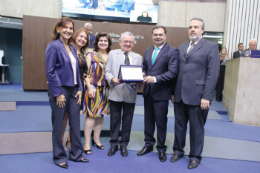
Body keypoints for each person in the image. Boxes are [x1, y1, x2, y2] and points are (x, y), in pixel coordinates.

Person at [170, 18, 219, 169]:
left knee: (196, 128)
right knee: (179, 126)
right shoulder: (182, 46)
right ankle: (178, 151)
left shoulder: (211, 46)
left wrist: (207, 96)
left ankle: (195, 156)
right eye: (190, 27)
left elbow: (213, 72)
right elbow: (177, 71)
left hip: (198, 96)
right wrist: (173, 92)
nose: (192, 29)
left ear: (202, 30)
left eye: (196, 27)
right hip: (179, 95)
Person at [46, 17, 89, 169]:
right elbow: (50, 72)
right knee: (58, 124)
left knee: (75, 123)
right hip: (60, 89)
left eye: (71, 28)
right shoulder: (53, 46)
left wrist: (79, 89)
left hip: (73, 90)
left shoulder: (71, 48)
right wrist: (58, 93)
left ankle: (76, 154)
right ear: (58, 29)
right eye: (65, 27)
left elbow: (77, 70)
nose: (68, 31)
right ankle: (59, 156)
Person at [137, 26, 179, 162]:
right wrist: (143, 72)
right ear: (152, 36)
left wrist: (155, 79)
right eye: (155, 35)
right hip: (148, 92)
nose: (158, 37)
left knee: (161, 122)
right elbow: (145, 67)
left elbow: (172, 72)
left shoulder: (172, 51)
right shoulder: (148, 50)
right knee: (148, 121)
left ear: (165, 35)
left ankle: (161, 148)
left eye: (160, 35)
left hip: (161, 93)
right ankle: (148, 144)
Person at [105, 31, 143, 157]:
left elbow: (139, 75)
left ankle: (124, 145)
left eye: (130, 42)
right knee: (114, 120)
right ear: (120, 42)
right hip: (116, 91)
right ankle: (114, 144)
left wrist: (139, 81)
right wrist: (112, 79)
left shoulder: (138, 57)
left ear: (133, 43)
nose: (127, 44)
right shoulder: (112, 54)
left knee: (127, 121)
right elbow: (107, 71)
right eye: (125, 41)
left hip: (130, 93)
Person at [83, 32, 112, 154]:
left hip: (106, 90)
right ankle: (87, 143)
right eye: (101, 41)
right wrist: (89, 87)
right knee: (91, 115)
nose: (103, 43)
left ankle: (97, 139)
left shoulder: (112, 56)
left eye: (105, 41)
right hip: (93, 89)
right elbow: (85, 73)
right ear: (97, 42)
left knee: (100, 115)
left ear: (109, 43)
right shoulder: (91, 55)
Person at [61, 27, 90, 149]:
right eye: (81, 36)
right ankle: (60, 142)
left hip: (79, 89)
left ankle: (70, 140)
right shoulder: (66, 49)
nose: (82, 39)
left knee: (74, 116)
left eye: (85, 38)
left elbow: (84, 73)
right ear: (75, 36)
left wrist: (88, 87)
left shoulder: (83, 54)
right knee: (64, 116)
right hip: (65, 87)